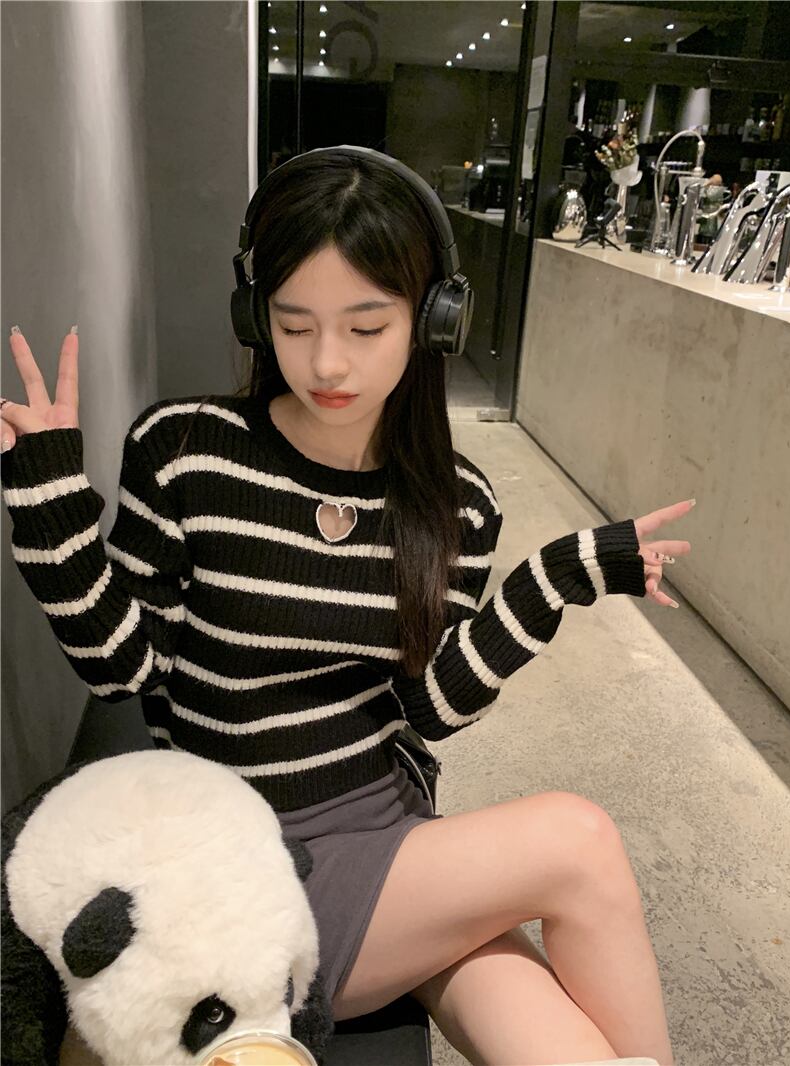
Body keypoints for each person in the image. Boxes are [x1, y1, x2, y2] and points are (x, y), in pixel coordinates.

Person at [0, 148, 691, 1066]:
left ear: (433, 321)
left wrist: (558, 575)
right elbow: (121, 668)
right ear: (258, 317)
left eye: (367, 327)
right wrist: (51, 507)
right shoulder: (184, 451)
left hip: (386, 834)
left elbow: (429, 707)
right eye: (295, 326)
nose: (327, 362)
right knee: (581, 841)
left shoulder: (456, 504)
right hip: (230, 861)